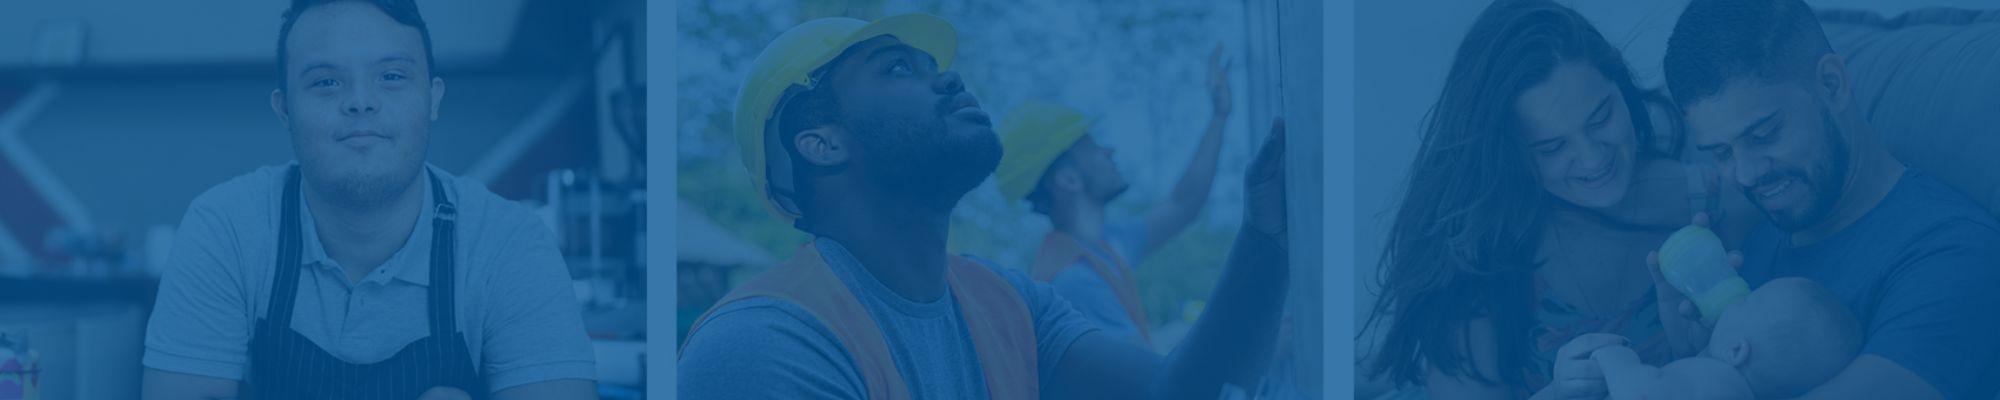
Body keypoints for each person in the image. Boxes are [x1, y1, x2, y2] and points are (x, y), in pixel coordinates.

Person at [677, 13, 1292, 400]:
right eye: (897, 69)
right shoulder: (765, 343)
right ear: (823, 143)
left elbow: (1180, 391)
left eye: (936, 66)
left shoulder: (1010, 303)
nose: (949, 79)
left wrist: (1267, 236)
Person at [140, 1, 597, 398]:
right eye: (325, 83)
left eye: (392, 76)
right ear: (284, 110)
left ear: (432, 98)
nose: (361, 101)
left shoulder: (509, 245)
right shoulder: (226, 229)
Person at [1363, 0, 1757, 398]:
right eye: (1552, 147)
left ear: (1620, 84)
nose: (1592, 158)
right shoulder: (1478, 248)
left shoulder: (1713, 205)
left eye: (1601, 117)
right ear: (1509, 154)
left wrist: (1703, 356)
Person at [1657, 0, 2000, 398]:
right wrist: (1693, 360)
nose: (1747, 174)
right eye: (1722, 153)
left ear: (1832, 84)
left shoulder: (1955, 257)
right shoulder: (1757, 246)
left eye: (1764, 135)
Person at [992, 45, 1234, 347]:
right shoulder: (1075, 281)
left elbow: (1184, 203)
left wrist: (1218, 117)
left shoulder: (1103, 248)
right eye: (1092, 147)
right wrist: (1244, 335)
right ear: (1068, 179)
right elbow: (1146, 377)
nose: (1110, 151)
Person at [1587, 277, 1863, 400]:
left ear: (1736, 350)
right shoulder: (1726, 387)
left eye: (1744, 303)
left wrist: (1617, 358)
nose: (1735, 301)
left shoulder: (1717, 380)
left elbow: (1645, 393)